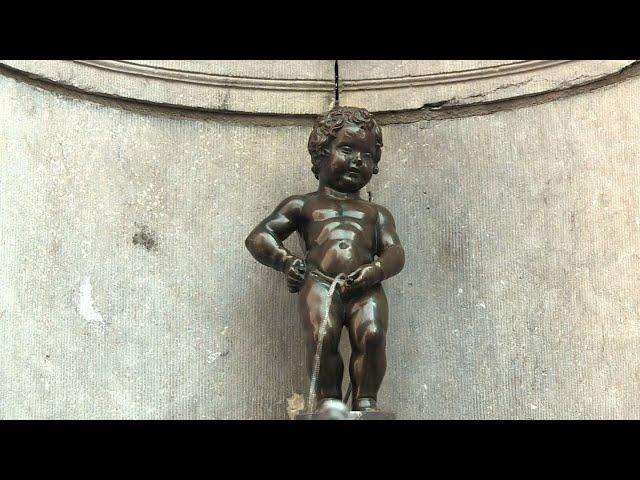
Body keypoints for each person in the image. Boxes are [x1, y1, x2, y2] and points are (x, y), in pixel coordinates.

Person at [245, 106, 405, 412]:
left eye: (368, 155)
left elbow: (395, 252)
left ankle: (366, 400)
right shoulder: (303, 205)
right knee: (322, 335)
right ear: (321, 152)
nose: (359, 160)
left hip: (366, 285)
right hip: (319, 282)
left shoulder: (377, 213)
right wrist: (286, 262)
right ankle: (327, 402)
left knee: (372, 334)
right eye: (347, 149)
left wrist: (375, 270)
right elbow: (259, 237)